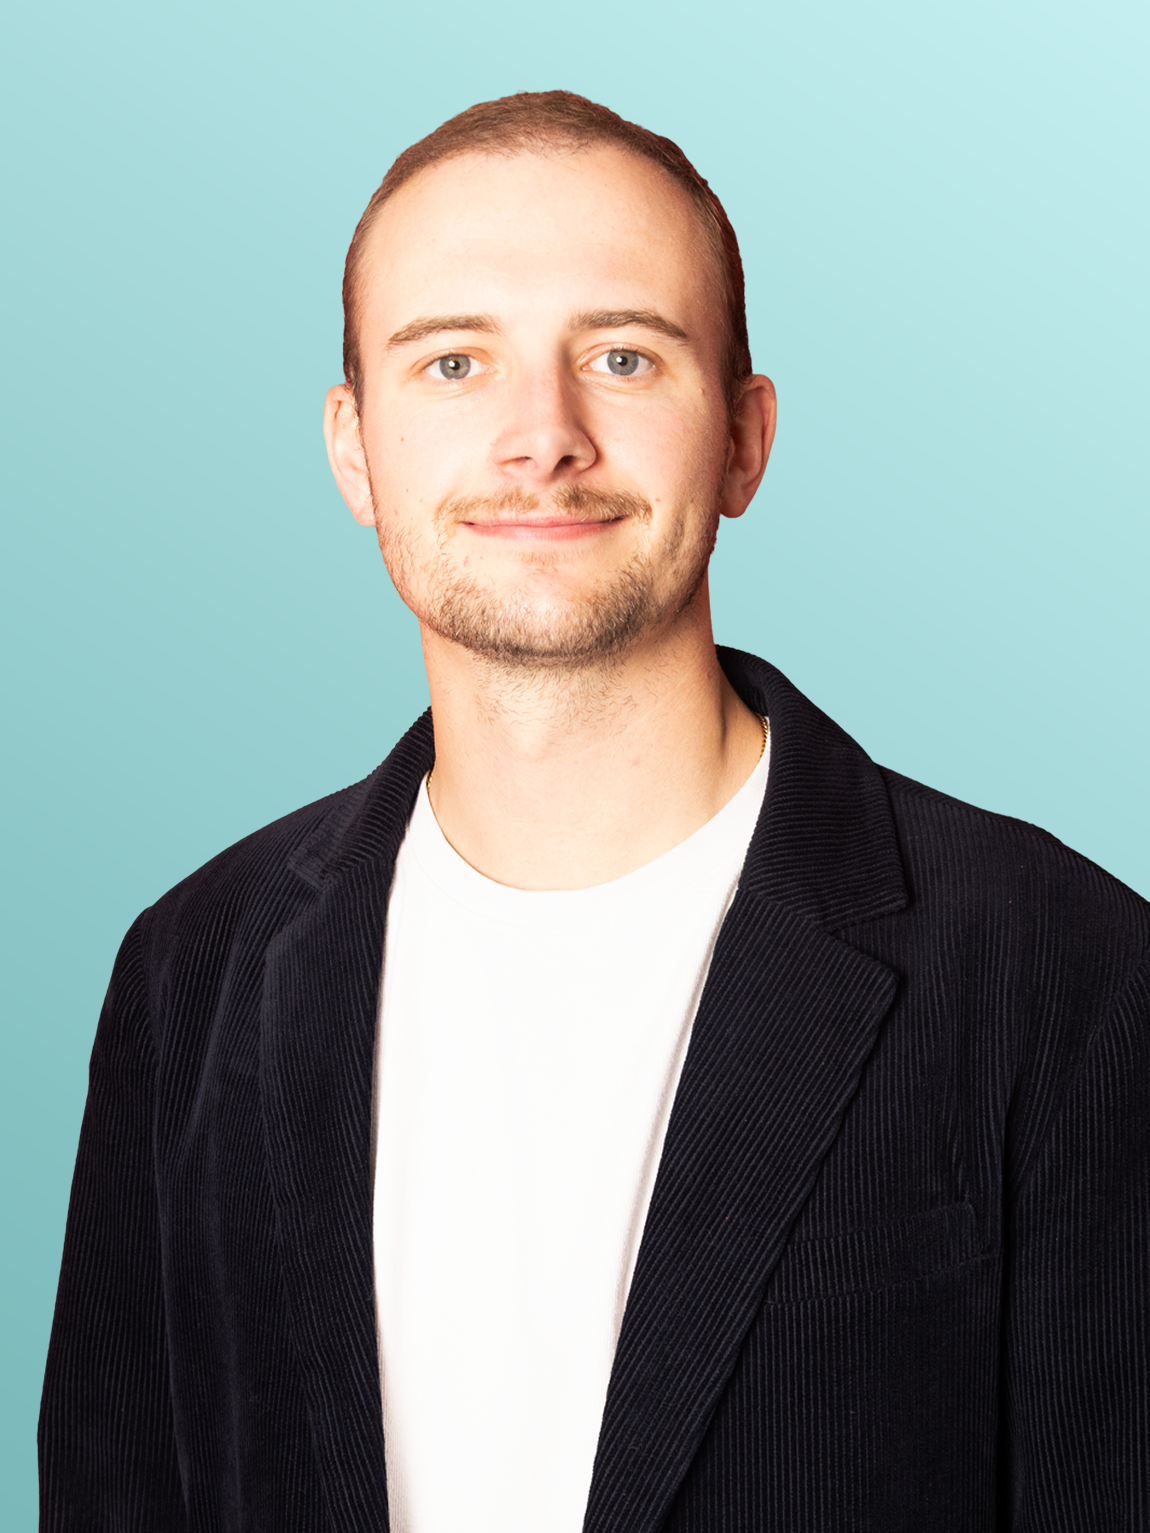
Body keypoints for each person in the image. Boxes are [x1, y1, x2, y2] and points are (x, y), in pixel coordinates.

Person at [40, 90, 1148, 1533]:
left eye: (622, 356)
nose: (539, 437)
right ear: (354, 449)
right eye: (451, 364)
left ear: (744, 439)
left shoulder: (1062, 970)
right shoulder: (191, 971)